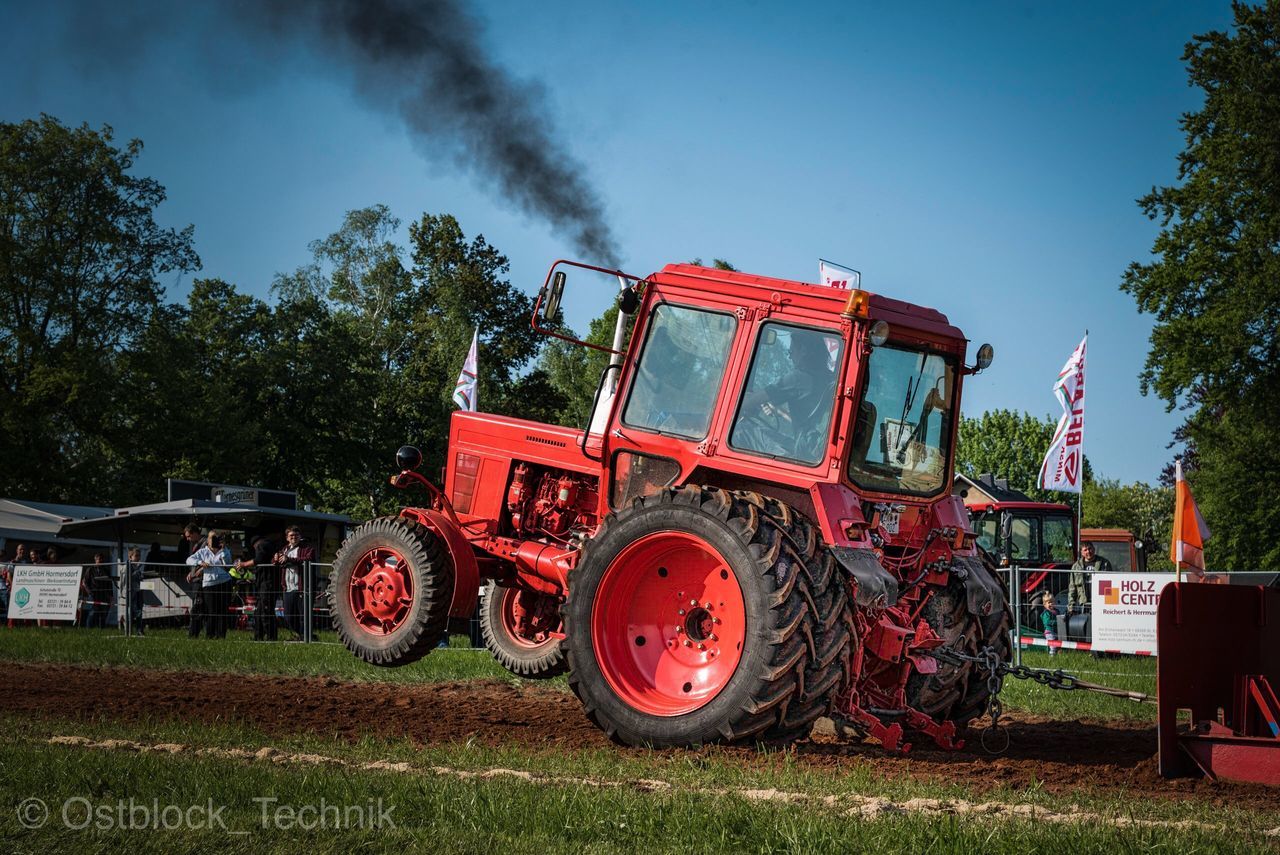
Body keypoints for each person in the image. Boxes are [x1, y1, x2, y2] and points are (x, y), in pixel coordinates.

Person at [186, 531, 233, 639]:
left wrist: (223, 550)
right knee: (211, 611)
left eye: (216, 538)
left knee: (222, 611)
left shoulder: (225, 550)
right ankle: (210, 636)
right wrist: (200, 563)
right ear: (208, 540)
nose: (214, 540)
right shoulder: (203, 551)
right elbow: (189, 560)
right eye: (212, 538)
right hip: (209, 584)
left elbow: (228, 564)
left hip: (224, 583)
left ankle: (221, 636)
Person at [236, 532, 281, 641]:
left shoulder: (262, 545)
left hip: (267, 584)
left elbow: (259, 559)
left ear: (255, 545)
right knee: (259, 612)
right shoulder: (269, 546)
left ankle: (271, 638)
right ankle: (258, 637)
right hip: (265, 583)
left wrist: (243, 564)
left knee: (266, 612)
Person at [276, 526, 316, 641]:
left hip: (302, 588)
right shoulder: (284, 549)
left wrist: (289, 560)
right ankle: (301, 635)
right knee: (288, 616)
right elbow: (275, 562)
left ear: (300, 536)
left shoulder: (308, 549)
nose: (294, 537)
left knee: (304, 616)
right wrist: (275, 559)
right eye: (291, 536)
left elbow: (307, 559)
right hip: (287, 588)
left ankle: (305, 638)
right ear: (287, 538)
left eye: (296, 535)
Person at [1067, 541, 1113, 616]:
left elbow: (1112, 584)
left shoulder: (1105, 563)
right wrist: (1071, 606)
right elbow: (1072, 587)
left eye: (1090, 549)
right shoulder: (1076, 566)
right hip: (1084, 603)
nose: (1088, 551)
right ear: (1081, 553)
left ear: (1094, 549)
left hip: (1100, 602)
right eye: (1085, 550)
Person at [182, 525, 207, 637]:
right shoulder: (196, 544)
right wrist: (191, 573)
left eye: (188, 536)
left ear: (194, 533)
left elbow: (207, 560)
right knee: (199, 607)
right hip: (196, 579)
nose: (187, 539)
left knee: (197, 607)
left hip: (201, 580)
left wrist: (199, 570)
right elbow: (195, 561)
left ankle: (193, 634)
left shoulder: (205, 543)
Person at [84, 552, 115, 629]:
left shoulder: (106, 570)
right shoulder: (90, 570)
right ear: (95, 559)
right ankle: (88, 629)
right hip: (93, 594)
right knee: (92, 612)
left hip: (104, 594)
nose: (100, 560)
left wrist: (111, 596)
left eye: (102, 559)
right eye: (99, 559)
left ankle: (102, 629)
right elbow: (85, 582)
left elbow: (109, 583)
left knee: (103, 613)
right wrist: (90, 592)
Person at [126, 547, 146, 636]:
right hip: (131, 592)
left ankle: (138, 630)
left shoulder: (138, 566)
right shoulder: (128, 566)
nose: (138, 558)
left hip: (139, 592)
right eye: (136, 556)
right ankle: (130, 630)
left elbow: (139, 577)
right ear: (130, 557)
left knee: (139, 611)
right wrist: (137, 571)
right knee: (135, 612)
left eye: (139, 556)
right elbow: (128, 577)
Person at [1040, 590, 1060, 657]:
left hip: (1056, 631)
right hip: (1049, 632)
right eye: (1049, 602)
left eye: (1052, 602)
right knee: (1053, 646)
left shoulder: (1057, 611)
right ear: (1044, 604)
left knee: (1058, 645)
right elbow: (1047, 622)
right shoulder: (1046, 613)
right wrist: (1057, 622)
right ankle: (1051, 657)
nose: (1051, 604)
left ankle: (1056, 655)